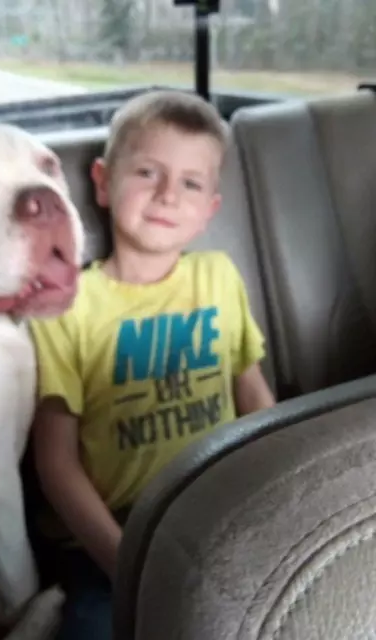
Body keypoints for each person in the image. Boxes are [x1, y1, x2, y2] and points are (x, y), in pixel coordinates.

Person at [29, 89, 276, 639]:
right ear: (102, 182)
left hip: (219, 505)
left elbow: (253, 394)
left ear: (210, 208)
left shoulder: (218, 277)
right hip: (114, 531)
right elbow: (56, 463)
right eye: (147, 172)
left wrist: (274, 492)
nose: (168, 194)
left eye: (191, 183)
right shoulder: (69, 305)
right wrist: (126, 562)